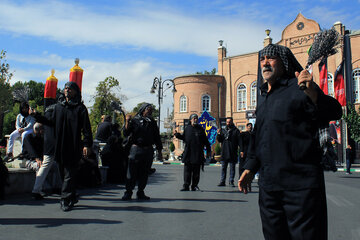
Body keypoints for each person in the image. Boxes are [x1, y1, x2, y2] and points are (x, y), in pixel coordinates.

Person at [238, 44, 342, 240]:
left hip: (300, 189)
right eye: (262, 59)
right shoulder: (264, 97)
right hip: (269, 189)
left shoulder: (300, 87)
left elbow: (334, 111)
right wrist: (250, 167)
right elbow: (259, 137)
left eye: (271, 58)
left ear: (284, 63)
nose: (265, 63)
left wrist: (313, 94)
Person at [36, 82, 92, 211]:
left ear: (76, 92)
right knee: (63, 173)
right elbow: (50, 122)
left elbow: (86, 128)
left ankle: (65, 199)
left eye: (70, 88)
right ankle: (71, 194)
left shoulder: (80, 108)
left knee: (69, 173)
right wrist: (36, 116)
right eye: (66, 88)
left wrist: (87, 144)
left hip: (73, 145)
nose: (67, 90)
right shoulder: (58, 107)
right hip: (60, 145)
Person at [122, 103, 162, 200]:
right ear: (143, 110)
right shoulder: (135, 120)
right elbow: (125, 133)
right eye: (148, 109)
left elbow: (157, 136)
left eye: (151, 110)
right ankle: (128, 192)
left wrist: (159, 150)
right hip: (136, 149)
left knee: (144, 172)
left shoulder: (152, 122)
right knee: (131, 172)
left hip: (148, 150)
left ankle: (140, 192)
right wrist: (127, 121)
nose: (150, 111)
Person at [31, 105, 62, 200]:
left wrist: (36, 115)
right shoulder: (57, 115)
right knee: (59, 166)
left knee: (47, 166)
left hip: (48, 144)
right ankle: (59, 187)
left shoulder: (46, 116)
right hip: (56, 144)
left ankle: (37, 190)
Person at [174, 114, 211, 191]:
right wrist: (177, 135)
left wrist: (208, 151)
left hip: (198, 154)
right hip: (188, 153)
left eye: (196, 118)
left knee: (196, 172)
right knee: (187, 171)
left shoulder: (201, 129)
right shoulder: (187, 129)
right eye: (194, 118)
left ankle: (194, 186)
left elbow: (206, 141)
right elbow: (183, 137)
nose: (195, 120)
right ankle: (186, 186)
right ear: (190, 120)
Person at [216, 117, 242, 187]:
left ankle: (231, 181)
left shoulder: (236, 131)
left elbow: (240, 141)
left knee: (232, 168)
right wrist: (218, 134)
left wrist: (241, 150)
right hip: (224, 151)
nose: (228, 123)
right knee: (223, 167)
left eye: (229, 122)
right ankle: (222, 181)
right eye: (227, 122)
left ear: (232, 122)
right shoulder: (223, 130)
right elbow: (220, 140)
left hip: (232, 152)